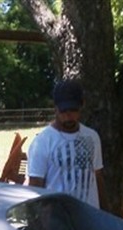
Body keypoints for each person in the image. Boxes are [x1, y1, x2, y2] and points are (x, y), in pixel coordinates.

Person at [26, 79, 106, 208]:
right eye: (64, 111)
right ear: (55, 108)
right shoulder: (42, 143)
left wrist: (105, 214)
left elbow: (98, 177)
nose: (69, 116)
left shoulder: (92, 137)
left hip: (90, 218)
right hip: (57, 220)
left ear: (82, 105)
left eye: (73, 110)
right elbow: (35, 188)